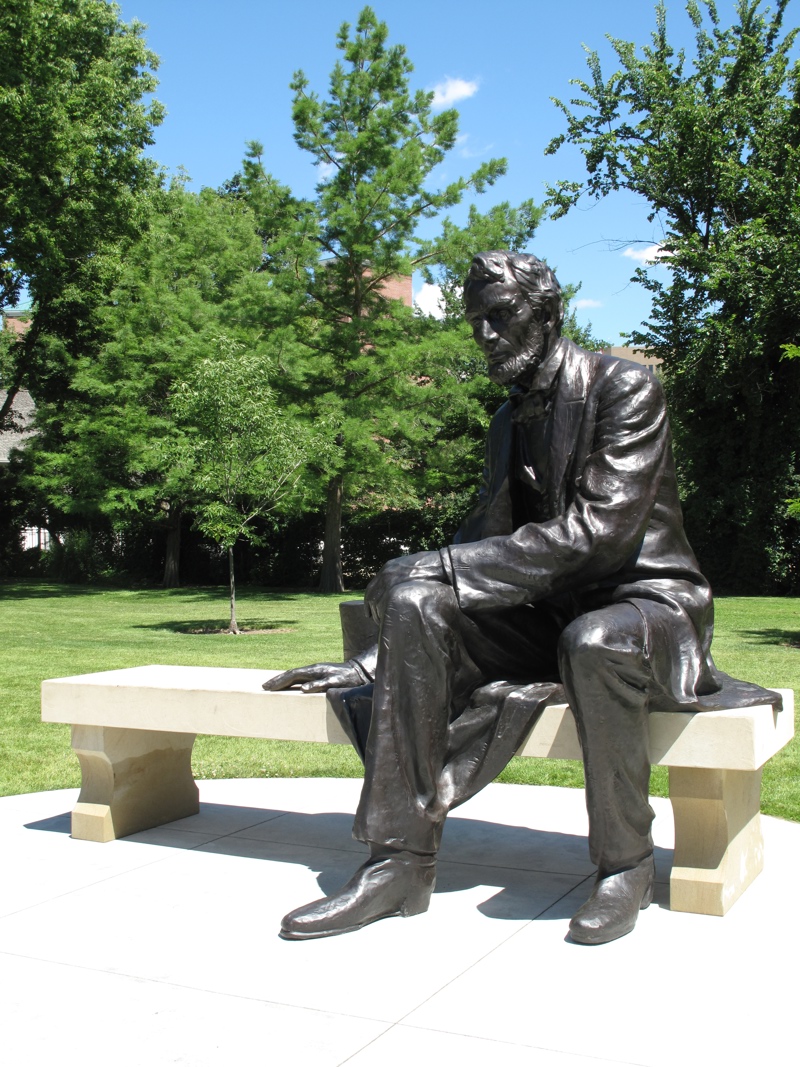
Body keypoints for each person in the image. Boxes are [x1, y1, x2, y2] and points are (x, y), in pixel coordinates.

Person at [264, 251, 777, 945]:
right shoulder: (508, 422)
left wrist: (441, 563)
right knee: (419, 603)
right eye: (476, 321)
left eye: (501, 315)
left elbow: (597, 532)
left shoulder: (624, 387)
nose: (486, 335)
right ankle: (399, 861)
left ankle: (624, 863)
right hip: (552, 611)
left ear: (547, 311)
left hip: (647, 607)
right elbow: (484, 538)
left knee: (591, 641)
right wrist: (373, 660)